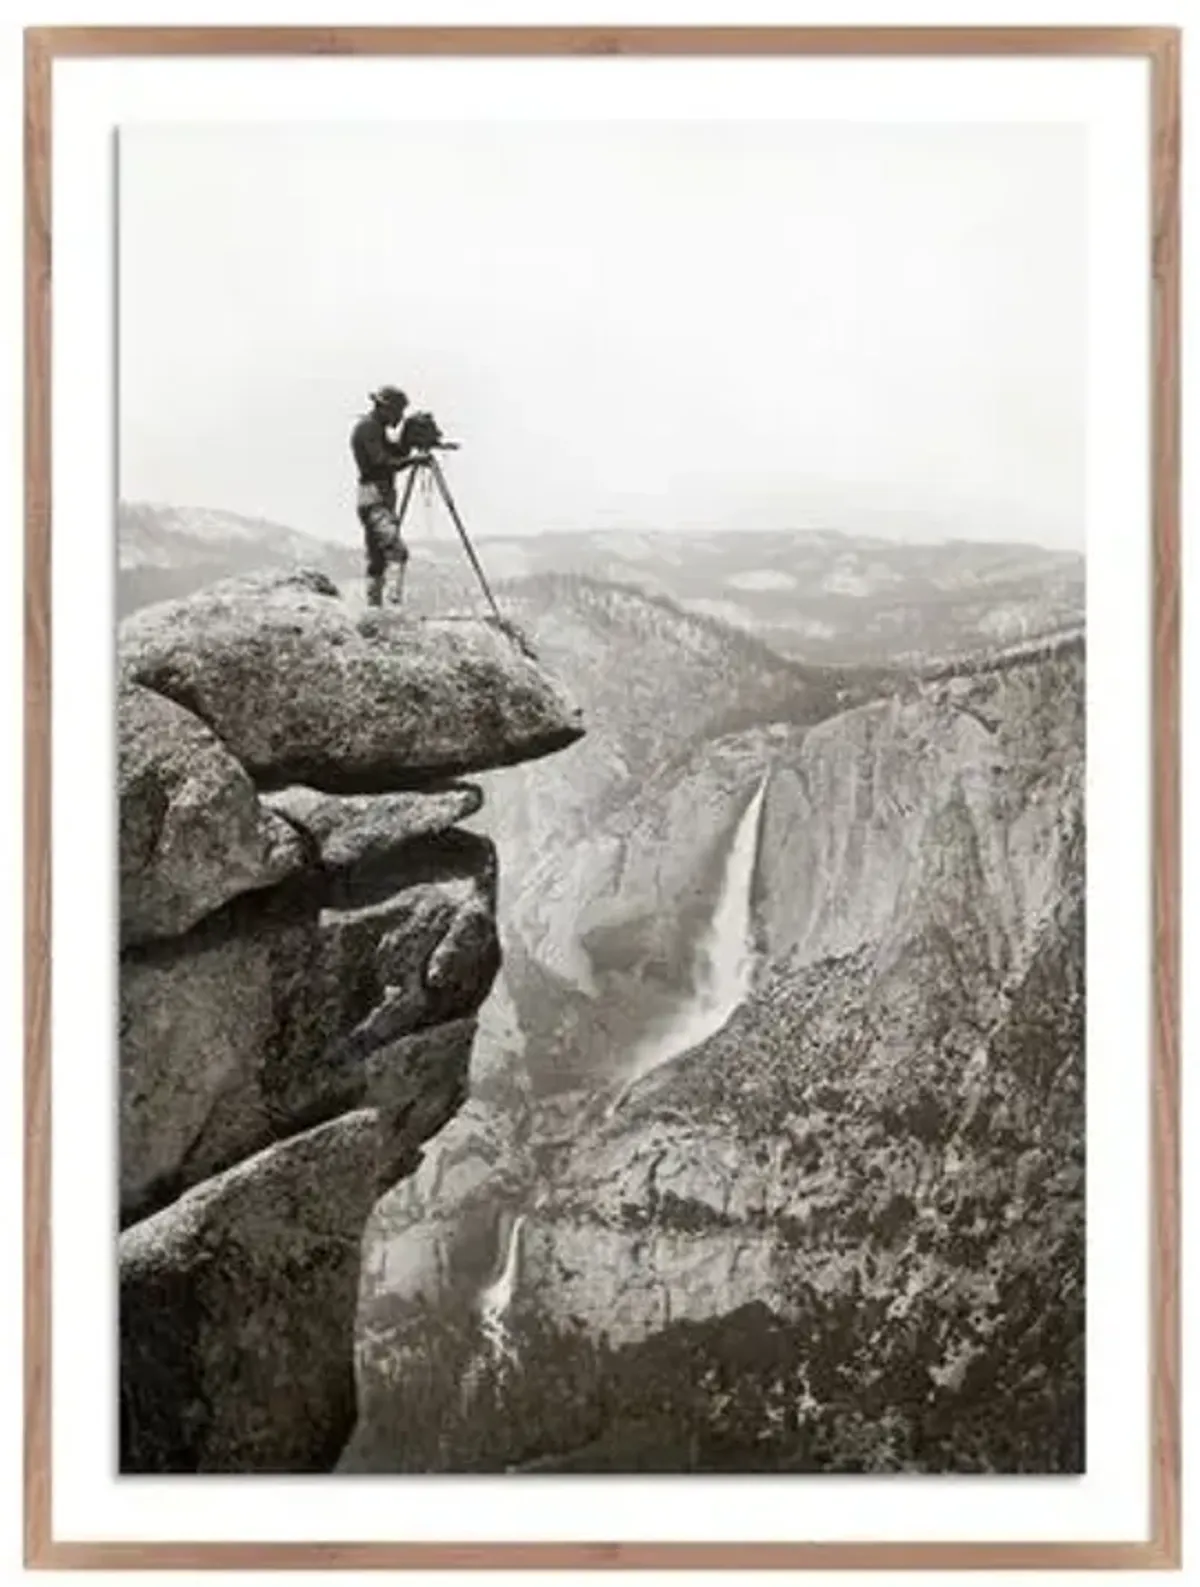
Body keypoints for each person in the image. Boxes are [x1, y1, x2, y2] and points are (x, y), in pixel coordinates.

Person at [350, 385, 422, 606]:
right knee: (396, 552)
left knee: (377, 559)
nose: (400, 417)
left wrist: (409, 441)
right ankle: (392, 606)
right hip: (375, 499)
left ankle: (374, 610)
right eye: (398, 412)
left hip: (374, 498)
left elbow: (395, 453)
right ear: (385, 409)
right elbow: (382, 462)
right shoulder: (368, 429)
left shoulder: (374, 428)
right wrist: (413, 460)